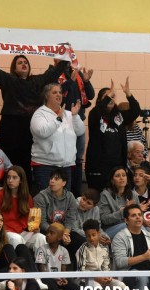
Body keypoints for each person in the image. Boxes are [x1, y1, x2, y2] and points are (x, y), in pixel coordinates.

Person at [0, 43, 69, 184]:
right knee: (8, 163)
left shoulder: (37, 81)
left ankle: (25, 197)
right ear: (14, 68)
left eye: (25, 62)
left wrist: (65, 57)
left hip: (29, 127)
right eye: (20, 62)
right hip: (10, 126)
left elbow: (52, 74)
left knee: (26, 164)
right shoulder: (9, 80)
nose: (23, 64)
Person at [85, 77, 141, 192]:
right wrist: (109, 96)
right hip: (98, 167)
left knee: (116, 197)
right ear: (100, 100)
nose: (110, 98)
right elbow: (97, 111)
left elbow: (135, 111)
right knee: (98, 198)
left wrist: (128, 94)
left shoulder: (119, 116)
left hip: (117, 167)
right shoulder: (95, 114)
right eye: (107, 96)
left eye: (112, 96)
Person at [30, 83, 85, 193]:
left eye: (60, 92)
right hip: (45, 166)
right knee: (45, 202)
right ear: (46, 96)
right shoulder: (39, 114)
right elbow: (42, 132)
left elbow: (80, 131)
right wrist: (58, 119)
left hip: (66, 167)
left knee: (63, 204)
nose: (58, 95)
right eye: (54, 92)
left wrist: (74, 116)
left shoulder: (68, 114)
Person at [53, 55, 95, 197]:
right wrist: (70, 80)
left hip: (77, 120)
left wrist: (87, 81)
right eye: (63, 57)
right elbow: (58, 95)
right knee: (65, 159)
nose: (67, 61)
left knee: (78, 159)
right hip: (61, 122)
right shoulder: (53, 74)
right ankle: (65, 193)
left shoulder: (77, 73)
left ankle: (76, 195)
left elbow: (90, 95)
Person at [34, 168, 86, 267]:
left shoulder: (70, 196)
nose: (52, 181)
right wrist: (59, 234)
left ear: (64, 183)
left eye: (56, 179)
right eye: (51, 178)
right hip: (47, 232)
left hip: (63, 232)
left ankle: (79, 274)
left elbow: (70, 220)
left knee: (80, 242)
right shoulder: (41, 197)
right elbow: (42, 222)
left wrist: (65, 234)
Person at [0, 209, 48, 290]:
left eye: (1, 220)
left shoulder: (3, 238)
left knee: (21, 247)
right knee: (8, 248)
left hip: (9, 271)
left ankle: (35, 279)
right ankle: (17, 275)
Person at [0, 165, 46, 252]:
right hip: (4, 232)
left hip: (21, 232)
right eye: (8, 177)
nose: (10, 180)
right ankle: (17, 264)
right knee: (17, 239)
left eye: (14, 177)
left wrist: (35, 228)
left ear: (21, 181)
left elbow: (30, 222)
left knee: (41, 238)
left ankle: (40, 265)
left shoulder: (27, 197)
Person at [76, 219, 126, 290]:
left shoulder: (104, 249)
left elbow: (106, 268)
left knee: (121, 286)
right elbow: (81, 272)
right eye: (88, 236)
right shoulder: (82, 250)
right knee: (98, 289)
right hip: (86, 280)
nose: (91, 238)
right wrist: (96, 278)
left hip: (102, 279)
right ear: (85, 235)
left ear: (99, 233)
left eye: (93, 235)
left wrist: (108, 277)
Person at [35, 223, 79, 290]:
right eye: (47, 232)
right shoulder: (42, 249)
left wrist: (63, 278)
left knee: (75, 289)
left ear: (59, 237)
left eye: (51, 233)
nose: (47, 235)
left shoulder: (64, 251)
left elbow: (63, 269)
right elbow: (42, 269)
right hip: (46, 277)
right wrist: (55, 279)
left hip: (59, 277)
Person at [99, 166, 141, 239]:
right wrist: (124, 211)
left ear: (127, 179)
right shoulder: (105, 195)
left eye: (124, 175)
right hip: (110, 229)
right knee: (129, 226)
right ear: (112, 180)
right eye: (117, 176)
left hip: (130, 225)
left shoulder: (133, 194)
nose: (121, 178)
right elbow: (105, 219)